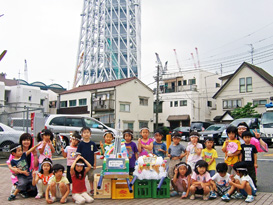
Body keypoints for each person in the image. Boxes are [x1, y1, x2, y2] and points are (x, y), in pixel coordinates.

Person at [76, 127, 99, 196]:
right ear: (82, 134)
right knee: (81, 177)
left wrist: (95, 163)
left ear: (90, 134)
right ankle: (81, 189)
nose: (86, 134)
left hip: (91, 164)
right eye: (84, 133)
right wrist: (78, 165)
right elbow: (78, 155)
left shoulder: (92, 143)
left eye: (87, 132)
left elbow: (95, 154)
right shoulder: (80, 144)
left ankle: (91, 189)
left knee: (91, 177)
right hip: (82, 165)